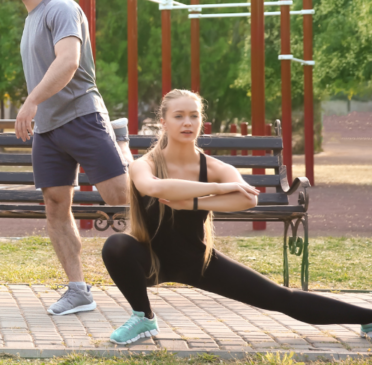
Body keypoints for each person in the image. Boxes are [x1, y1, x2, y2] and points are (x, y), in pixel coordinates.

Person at [103, 89, 372, 344]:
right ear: (163, 122)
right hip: (150, 259)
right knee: (116, 245)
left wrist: (193, 203)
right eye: (179, 116)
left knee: (281, 298)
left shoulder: (215, 166)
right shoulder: (146, 164)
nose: (187, 122)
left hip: (198, 261)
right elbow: (153, 187)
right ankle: (144, 317)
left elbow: (248, 198)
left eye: (194, 115)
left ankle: (368, 318)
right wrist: (219, 188)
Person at [2, 0, 133, 316]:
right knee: (55, 205)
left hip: (81, 116)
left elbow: (69, 62)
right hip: (48, 129)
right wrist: (37, 108)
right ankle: (78, 290)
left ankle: (162, 256)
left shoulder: (60, 8)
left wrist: (31, 101)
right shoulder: (30, 18)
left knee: (120, 199)